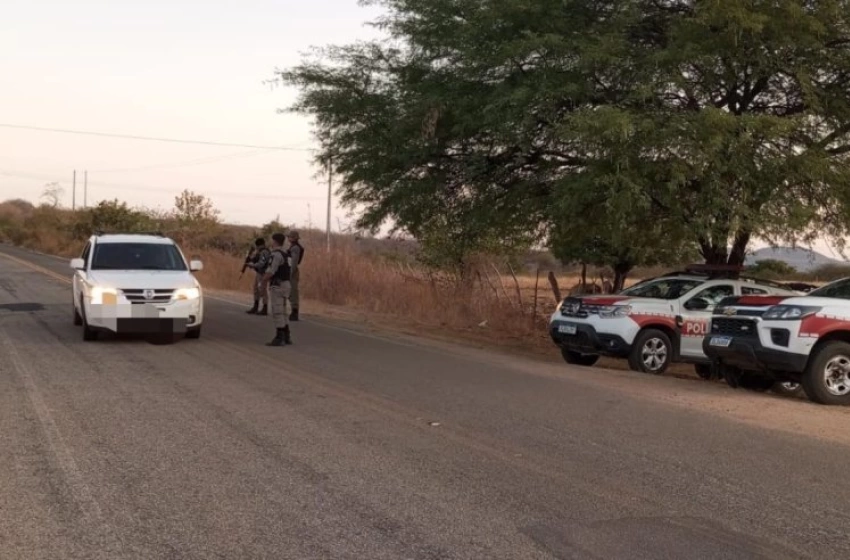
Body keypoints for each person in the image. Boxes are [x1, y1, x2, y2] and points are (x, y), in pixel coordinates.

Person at [261, 232, 293, 346]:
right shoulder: (286, 254)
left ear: (274, 241)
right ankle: (286, 334)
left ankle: (280, 337)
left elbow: (271, 271)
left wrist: (263, 281)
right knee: (283, 310)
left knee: (277, 311)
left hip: (278, 285)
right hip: (286, 284)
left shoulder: (276, 255)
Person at [245, 237, 271, 315]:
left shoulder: (264, 252)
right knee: (256, 289)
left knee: (262, 290)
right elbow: (255, 259)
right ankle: (255, 306)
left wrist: (252, 265)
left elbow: (261, 263)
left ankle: (265, 308)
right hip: (259, 272)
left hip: (263, 272)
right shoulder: (260, 251)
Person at [286, 230, 305, 321]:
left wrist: (290, 274)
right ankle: (293, 311)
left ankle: (295, 312)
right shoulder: (293, 247)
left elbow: (294, 263)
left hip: (292, 271)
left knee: (293, 292)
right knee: (290, 292)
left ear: (293, 238)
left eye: (289, 237)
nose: (288, 238)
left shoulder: (295, 248)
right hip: (290, 270)